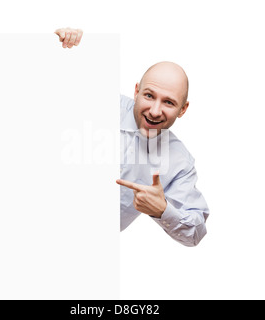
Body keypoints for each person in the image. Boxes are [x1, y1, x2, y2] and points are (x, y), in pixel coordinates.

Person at [55, 28, 210, 247]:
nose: (155, 111)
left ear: (183, 109)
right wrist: (62, 44)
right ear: (136, 91)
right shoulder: (98, 100)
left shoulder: (179, 163)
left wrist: (163, 211)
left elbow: (196, 233)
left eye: (169, 102)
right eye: (149, 95)